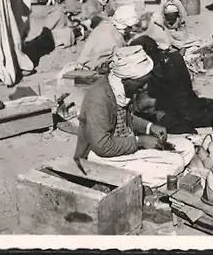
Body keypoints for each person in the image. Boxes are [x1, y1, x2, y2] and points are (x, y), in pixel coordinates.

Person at [73, 45, 196, 188]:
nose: (144, 88)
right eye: (141, 84)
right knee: (173, 165)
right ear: (126, 80)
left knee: (187, 147)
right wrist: (140, 141)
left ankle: (147, 168)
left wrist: (149, 127)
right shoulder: (99, 99)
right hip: (102, 155)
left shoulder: (120, 88)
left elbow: (125, 118)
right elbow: (102, 146)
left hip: (125, 142)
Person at [130, 35, 213, 134]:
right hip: (176, 107)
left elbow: (181, 97)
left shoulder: (168, 63)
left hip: (175, 108)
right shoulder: (173, 58)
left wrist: (154, 103)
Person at [75, 4, 141, 71]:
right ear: (124, 26)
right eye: (129, 27)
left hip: (83, 61)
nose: (131, 30)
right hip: (91, 69)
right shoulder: (117, 38)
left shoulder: (106, 24)